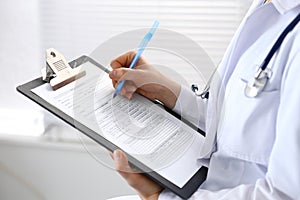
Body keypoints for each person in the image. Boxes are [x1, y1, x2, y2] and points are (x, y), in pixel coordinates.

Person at [108, 0, 300, 199]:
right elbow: (231, 123)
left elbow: (286, 194)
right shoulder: (266, 6)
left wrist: (159, 197)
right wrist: (165, 90)